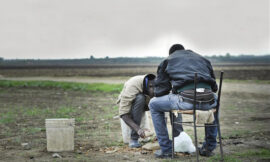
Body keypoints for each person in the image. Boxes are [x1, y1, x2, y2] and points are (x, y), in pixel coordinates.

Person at [149, 44, 218, 158]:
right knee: (217, 100)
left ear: (171, 53)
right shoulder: (203, 59)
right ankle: (208, 147)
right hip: (209, 101)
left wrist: (173, 90)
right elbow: (214, 87)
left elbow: (160, 91)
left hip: (187, 101)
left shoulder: (168, 60)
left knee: (153, 104)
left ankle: (166, 149)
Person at [117, 74, 155, 148]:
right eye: (151, 87)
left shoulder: (160, 86)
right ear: (148, 85)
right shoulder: (133, 85)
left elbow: (164, 112)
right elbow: (123, 113)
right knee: (140, 98)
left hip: (145, 104)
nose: (154, 90)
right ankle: (134, 139)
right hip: (130, 104)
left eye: (155, 87)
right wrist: (138, 130)